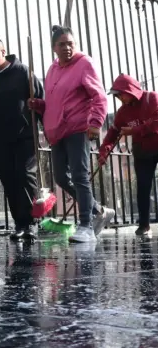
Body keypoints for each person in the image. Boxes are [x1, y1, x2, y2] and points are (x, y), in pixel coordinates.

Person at [28, 25, 115, 243]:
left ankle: (85, 225)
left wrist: (95, 123)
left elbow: (99, 97)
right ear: (53, 48)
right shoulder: (52, 70)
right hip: (56, 133)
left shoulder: (84, 63)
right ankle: (98, 210)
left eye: (70, 43)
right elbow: (53, 103)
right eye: (62, 44)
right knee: (60, 178)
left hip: (77, 129)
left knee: (79, 175)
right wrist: (39, 105)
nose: (67, 48)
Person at [0, 38, 43, 241]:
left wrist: (46, 127)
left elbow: (40, 100)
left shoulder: (23, 72)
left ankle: (32, 223)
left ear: (3, 52)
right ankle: (20, 223)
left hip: (24, 136)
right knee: (9, 180)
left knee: (24, 176)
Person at [99, 74, 158, 239]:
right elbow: (112, 134)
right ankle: (144, 225)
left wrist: (135, 131)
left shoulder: (151, 98)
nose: (118, 98)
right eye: (116, 95)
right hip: (143, 152)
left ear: (130, 90)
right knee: (143, 188)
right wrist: (104, 151)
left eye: (120, 93)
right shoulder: (123, 112)